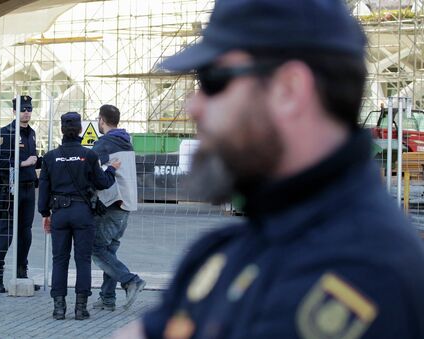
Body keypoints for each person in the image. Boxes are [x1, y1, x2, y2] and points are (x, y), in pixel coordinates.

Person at [115, 0, 424, 338]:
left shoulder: (376, 280)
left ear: (290, 89)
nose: (193, 106)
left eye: (212, 79)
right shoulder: (226, 249)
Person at [38, 112, 121, 320]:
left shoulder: (50, 157)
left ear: (61, 130)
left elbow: (44, 190)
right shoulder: (89, 156)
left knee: (59, 260)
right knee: (82, 260)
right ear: (81, 130)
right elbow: (102, 182)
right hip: (83, 213)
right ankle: (81, 309)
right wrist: (111, 169)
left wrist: (45, 214)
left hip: (59, 213)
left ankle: (58, 308)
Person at [91, 104, 145, 311]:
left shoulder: (104, 144)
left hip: (112, 204)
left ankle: (131, 280)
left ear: (101, 120)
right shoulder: (126, 141)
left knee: (96, 249)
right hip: (127, 204)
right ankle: (107, 298)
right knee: (109, 251)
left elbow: (94, 174)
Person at [0, 95, 40, 293]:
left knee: (25, 233)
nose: (26, 112)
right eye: (22, 109)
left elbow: (33, 159)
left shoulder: (32, 133)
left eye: (29, 108)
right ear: (14, 112)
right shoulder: (6, 133)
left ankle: (21, 273)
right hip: (10, 189)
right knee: (6, 232)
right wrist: (22, 163)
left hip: (29, 188)